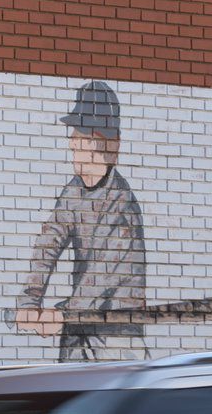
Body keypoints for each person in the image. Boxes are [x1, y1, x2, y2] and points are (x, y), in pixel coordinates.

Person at [14, 81, 149, 362]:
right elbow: (48, 243)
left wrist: (60, 314)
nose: (73, 141)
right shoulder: (73, 192)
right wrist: (30, 300)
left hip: (116, 338)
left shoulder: (122, 205)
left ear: (102, 142)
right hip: (77, 329)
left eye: (81, 134)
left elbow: (101, 279)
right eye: (75, 134)